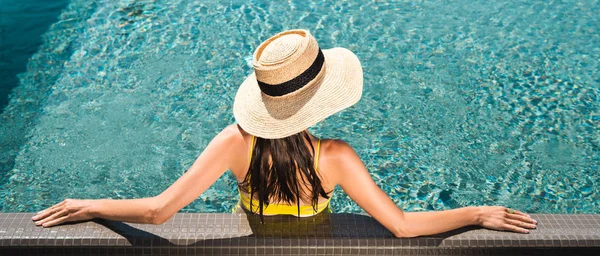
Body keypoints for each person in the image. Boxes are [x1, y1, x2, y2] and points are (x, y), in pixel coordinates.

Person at [32, 29, 537, 237]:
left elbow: (158, 211)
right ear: (320, 98)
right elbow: (402, 226)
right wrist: (476, 212)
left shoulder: (232, 143)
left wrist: (93, 204)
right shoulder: (336, 157)